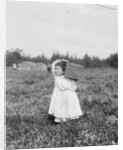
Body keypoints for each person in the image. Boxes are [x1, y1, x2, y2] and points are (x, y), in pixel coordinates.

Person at [48, 59, 83, 123]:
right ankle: (61, 119)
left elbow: (73, 86)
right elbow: (53, 66)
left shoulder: (69, 78)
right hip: (60, 95)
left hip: (69, 95)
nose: (55, 70)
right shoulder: (57, 77)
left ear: (63, 71)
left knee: (68, 106)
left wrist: (66, 63)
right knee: (61, 107)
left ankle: (70, 118)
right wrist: (61, 61)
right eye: (55, 69)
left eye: (58, 69)